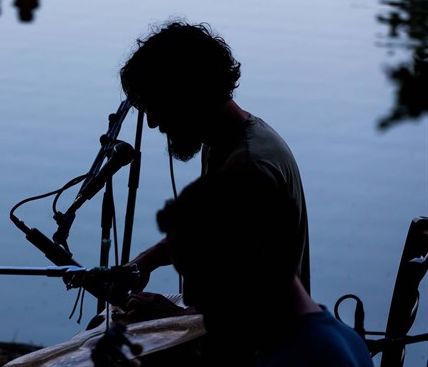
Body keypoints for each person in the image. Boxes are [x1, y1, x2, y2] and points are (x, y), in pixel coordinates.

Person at [118, 20, 310, 319]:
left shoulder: (249, 168)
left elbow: (256, 306)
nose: (154, 123)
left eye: (158, 106)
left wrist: (169, 316)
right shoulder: (223, 142)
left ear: (190, 95)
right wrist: (145, 262)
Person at [155, 170, 373, 366]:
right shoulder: (343, 340)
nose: (190, 297)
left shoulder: (309, 358)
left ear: (254, 258)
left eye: (200, 277)